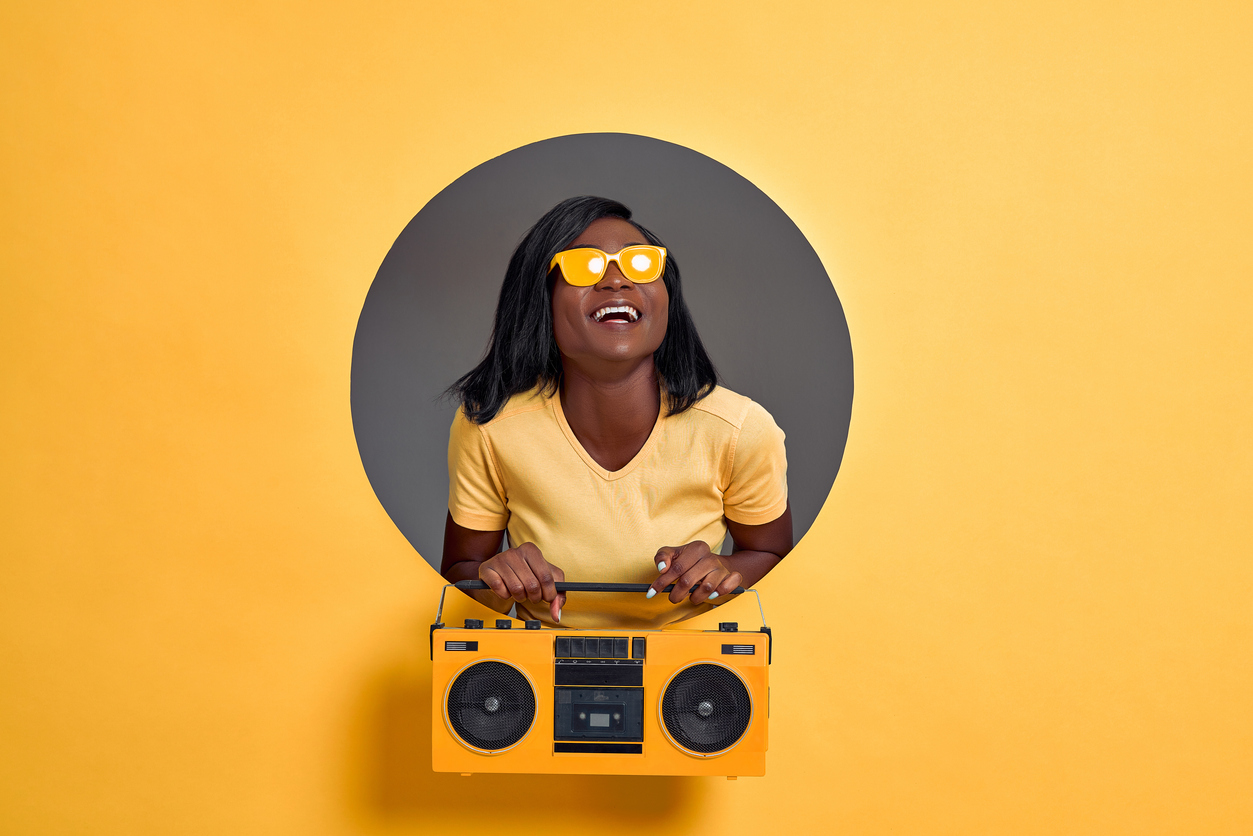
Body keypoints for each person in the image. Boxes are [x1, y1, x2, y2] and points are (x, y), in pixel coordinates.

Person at [440, 196, 792, 630]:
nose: (617, 282)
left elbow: (774, 556)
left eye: (640, 264)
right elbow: (459, 573)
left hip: (693, 688)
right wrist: (494, 577)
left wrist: (724, 572)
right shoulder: (489, 427)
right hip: (535, 682)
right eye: (584, 266)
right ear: (541, 299)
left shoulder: (740, 428)